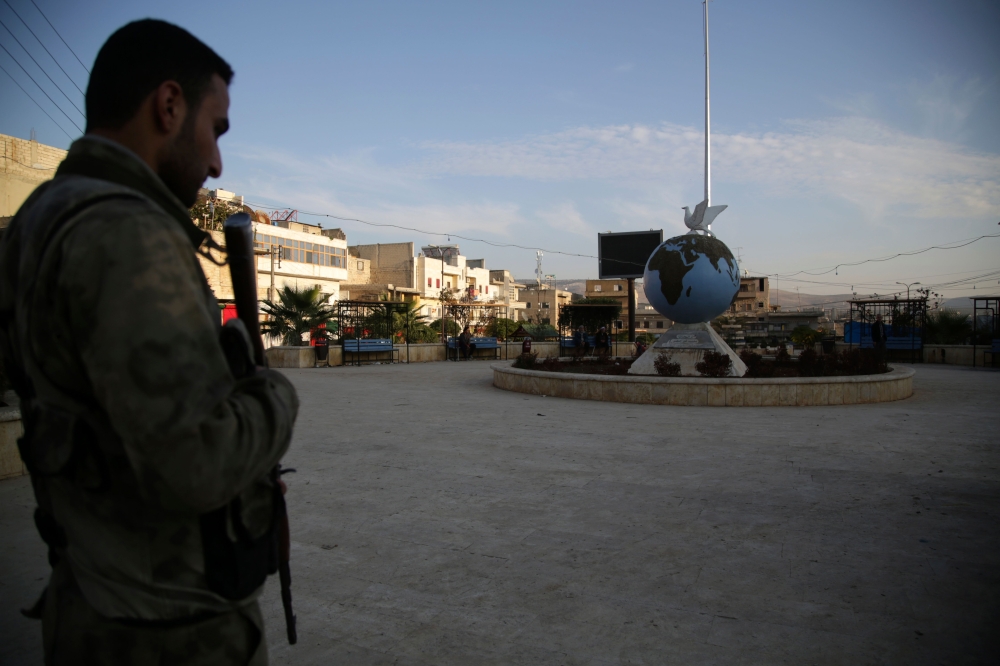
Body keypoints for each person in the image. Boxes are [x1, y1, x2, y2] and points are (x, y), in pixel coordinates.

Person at [0, 20, 299, 665]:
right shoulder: (127, 234)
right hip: (167, 630)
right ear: (168, 106)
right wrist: (275, 397)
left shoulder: (38, 219)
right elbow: (197, 462)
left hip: (92, 597)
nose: (217, 161)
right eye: (215, 130)